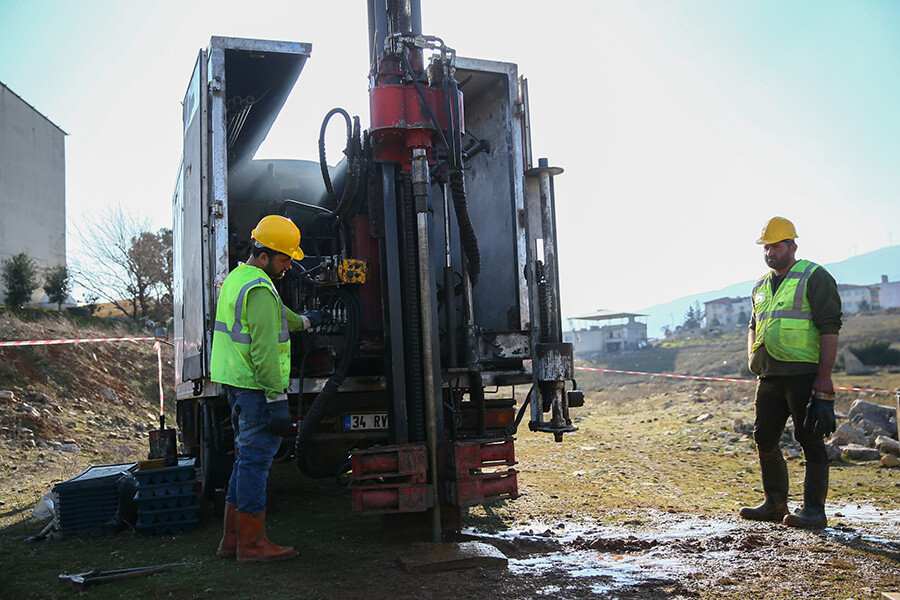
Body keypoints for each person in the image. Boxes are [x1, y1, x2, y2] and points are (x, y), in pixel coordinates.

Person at [210, 215, 326, 562]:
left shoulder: (240, 278)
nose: (289, 266)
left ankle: (231, 540)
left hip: (237, 384)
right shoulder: (259, 288)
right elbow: (263, 349)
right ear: (264, 255)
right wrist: (276, 399)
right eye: (284, 258)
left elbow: (273, 315)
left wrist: (304, 322)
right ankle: (252, 545)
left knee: (245, 461)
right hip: (257, 388)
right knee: (256, 464)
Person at [739, 216, 842, 529]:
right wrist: (753, 358)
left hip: (803, 373)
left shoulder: (814, 276)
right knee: (764, 437)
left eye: (777, 246)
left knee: (809, 438)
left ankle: (814, 511)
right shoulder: (760, 286)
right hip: (769, 375)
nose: (770, 252)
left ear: (792, 246)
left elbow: (829, 327)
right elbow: (754, 325)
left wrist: (824, 379)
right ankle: (775, 503)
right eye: (766, 247)